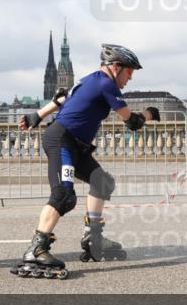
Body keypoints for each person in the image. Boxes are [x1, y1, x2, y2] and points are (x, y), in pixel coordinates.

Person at [10, 43, 159, 280]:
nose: (130, 78)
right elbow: (132, 122)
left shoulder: (89, 79)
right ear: (116, 67)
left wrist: (37, 115)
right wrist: (150, 113)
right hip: (62, 141)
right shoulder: (106, 84)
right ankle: (36, 250)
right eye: (129, 72)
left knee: (102, 182)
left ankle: (93, 237)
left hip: (76, 145)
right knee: (63, 195)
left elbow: (61, 98)